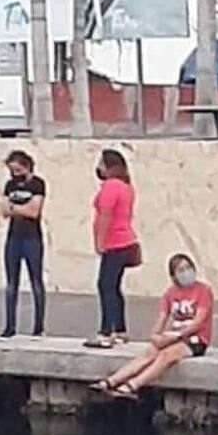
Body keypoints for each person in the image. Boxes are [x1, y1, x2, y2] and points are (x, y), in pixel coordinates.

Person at [88, 253, 213, 400]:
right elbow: (162, 318)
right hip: (173, 336)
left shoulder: (203, 291)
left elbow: (198, 322)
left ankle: (133, 385)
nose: (186, 273)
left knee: (166, 355)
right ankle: (111, 381)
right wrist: (155, 336)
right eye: (181, 270)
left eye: (188, 268)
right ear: (173, 276)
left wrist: (177, 336)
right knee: (149, 352)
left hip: (195, 339)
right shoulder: (170, 294)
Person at [84, 149, 139, 349]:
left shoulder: (111, 187)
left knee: (105, 285)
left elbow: (105, 215)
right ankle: (120, 330)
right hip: (125, 241)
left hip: (115, 242)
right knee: (114, 287)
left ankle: (106, 332)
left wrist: (100, 241)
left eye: (101, 163)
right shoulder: (126, 187)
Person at [0, 150, 47, 338]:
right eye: (12, 171)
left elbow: (34, 211)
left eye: (18, 170)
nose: (15, 174)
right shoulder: (10, 185)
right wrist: (20, 209)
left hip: (32, 238)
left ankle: (38, 326)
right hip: (14, 237)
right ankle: (10, 326)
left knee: (36, 281)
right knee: (11, 282)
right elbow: (4, 210)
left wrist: (15, 208)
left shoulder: (37, 184)